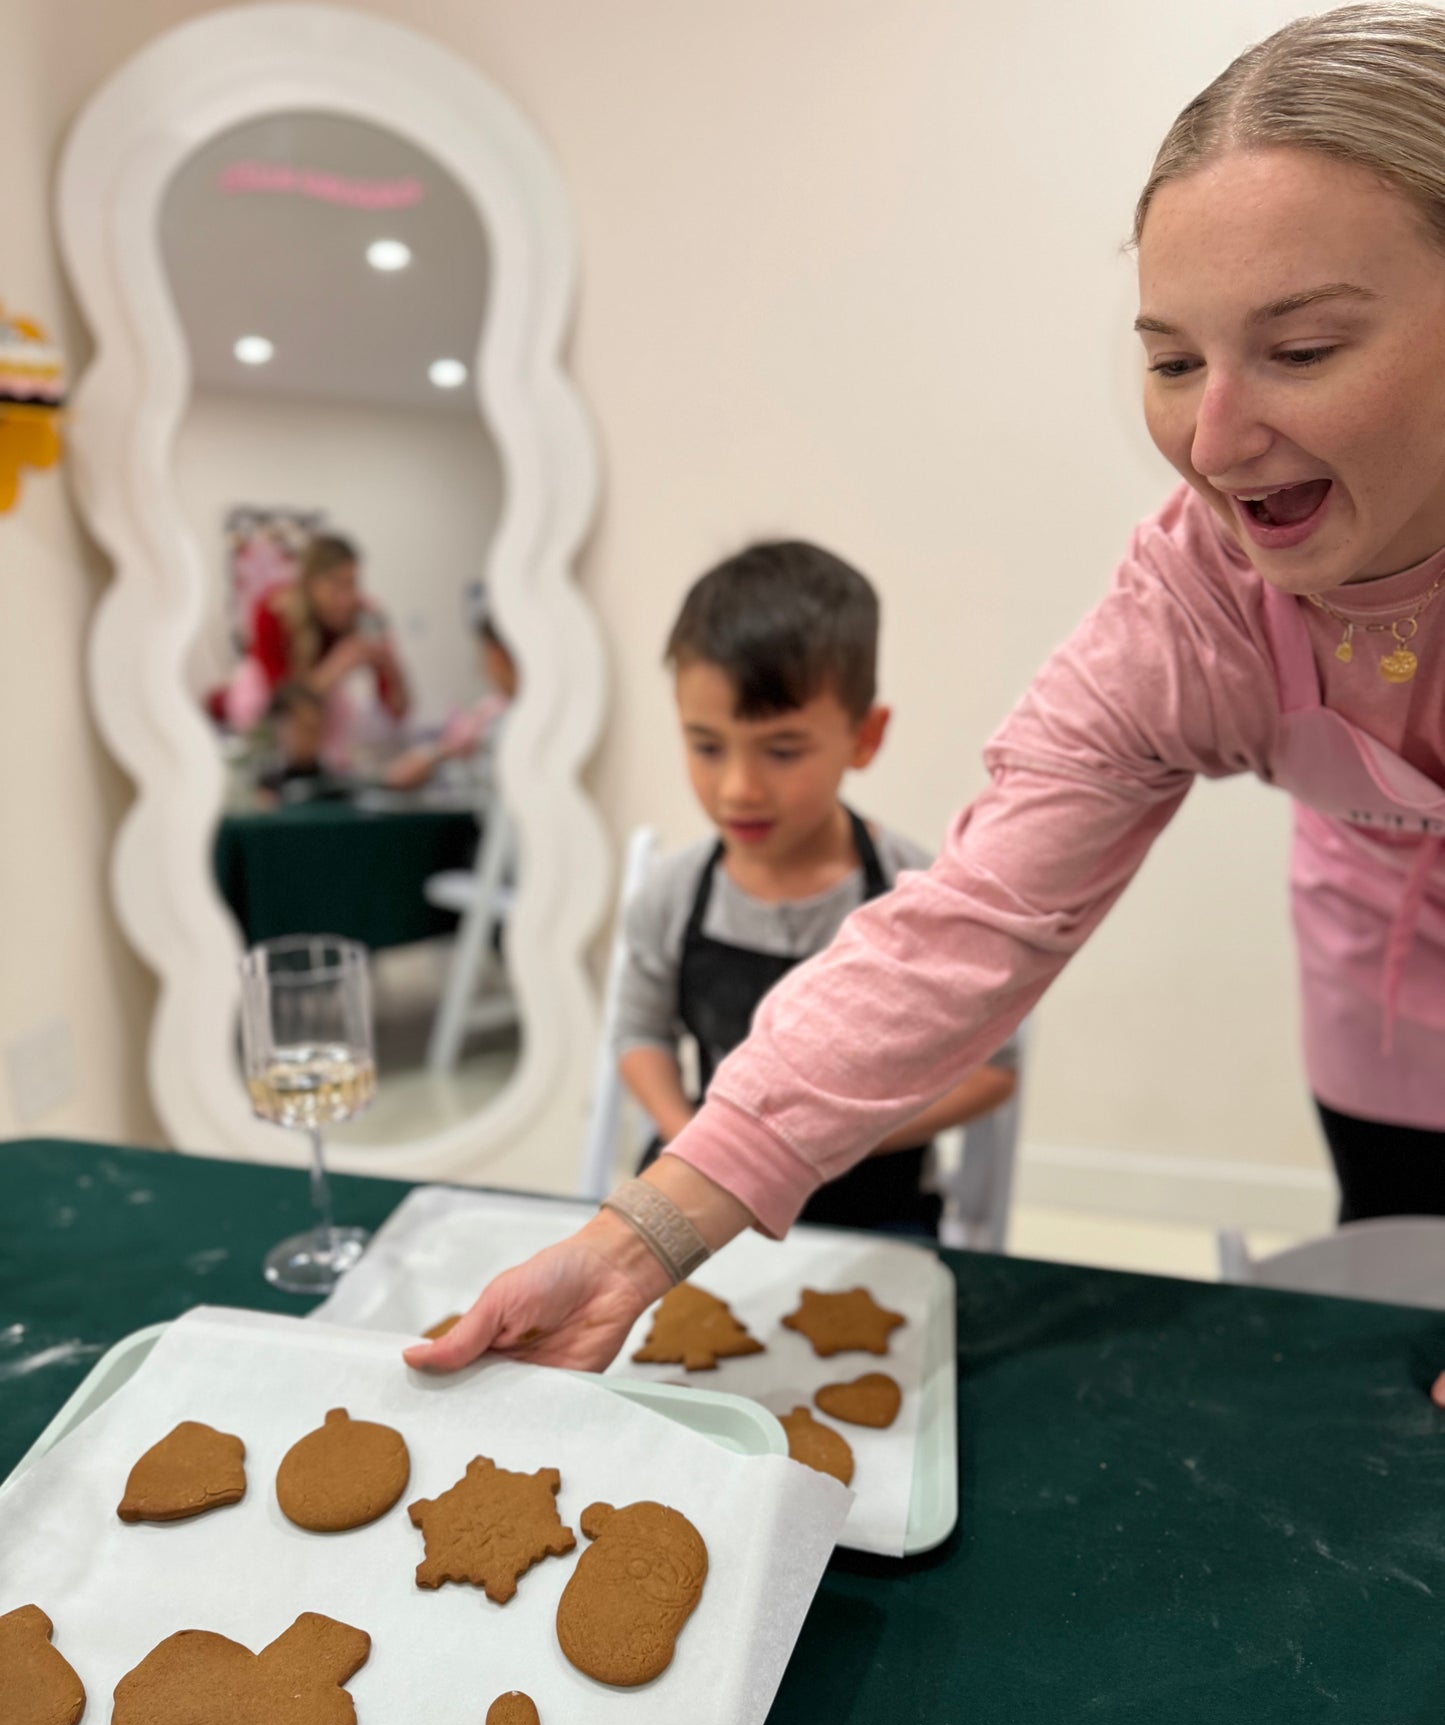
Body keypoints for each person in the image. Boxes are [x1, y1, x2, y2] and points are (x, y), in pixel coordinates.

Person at [404, 2, 1445, 1388]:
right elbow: (966, 925)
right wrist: (638, 1234)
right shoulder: (1195, 607)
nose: (1210, 439)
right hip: (1378, 975)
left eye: (1302, 349)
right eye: (1173, 359)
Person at [613, 540, 1017, 1237]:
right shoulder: (671, 894)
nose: (738, 786)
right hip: (702, 1183)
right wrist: (695, 1142)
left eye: (781, 750)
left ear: (864, 736)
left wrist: (826, 1144)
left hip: (871, 1199)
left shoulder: (915, 896)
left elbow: (992, 1071)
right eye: (707, 746)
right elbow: (639, 1033)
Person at [231, 533, 411, 760]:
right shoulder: (273, 611)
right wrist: (340, 663)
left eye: (352, 583)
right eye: (335, 584)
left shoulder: (364, 615)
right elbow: (283, 707)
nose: (346, 598)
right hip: (267, 712)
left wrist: (391, 666)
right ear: (309, 583)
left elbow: (398, 711)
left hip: (324, 715)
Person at [384, 585, 517, 791]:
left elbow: (485, 776)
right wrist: (435, 756)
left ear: (496, 655)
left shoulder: (514, 722)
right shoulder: (503, 713)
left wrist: (433, 765)